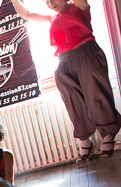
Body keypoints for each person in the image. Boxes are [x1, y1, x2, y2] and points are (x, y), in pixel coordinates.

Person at [10, 0, 120, 161]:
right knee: (72, 101)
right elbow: (25, 14)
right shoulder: (51, 18)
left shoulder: (79, 6)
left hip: (86, 52)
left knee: (96, 94)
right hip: (63, 60)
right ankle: (85, 140)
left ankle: (107, 135)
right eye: (47, 1)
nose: (50, 3)